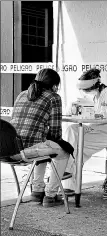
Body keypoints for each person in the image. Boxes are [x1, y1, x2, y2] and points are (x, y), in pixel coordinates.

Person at [10, 68, 70, 207]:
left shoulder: (22, 94)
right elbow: (55, 132)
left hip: (10, 149)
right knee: (63, 151)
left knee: (43, 144)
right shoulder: (53, 97)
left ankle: (37, 191)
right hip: (27, 151)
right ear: (55, 85)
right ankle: (50, 195)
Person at [62, 68, 107, 194]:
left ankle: (69, 182)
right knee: (71, 130)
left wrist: (97, 114)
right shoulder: (95, 96)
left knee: (79, 147)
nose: (85, 93)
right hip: (97, 128)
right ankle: (67, 171)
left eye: (86, 90)